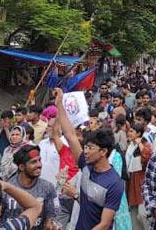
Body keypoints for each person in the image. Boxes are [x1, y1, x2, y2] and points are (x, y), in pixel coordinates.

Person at [54, 89, 125, 230]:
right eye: (85, 147)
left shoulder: (114, 184)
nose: (85, 151)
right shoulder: (85, 165)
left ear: (103, 151)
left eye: (90, 148)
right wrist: (60, 104)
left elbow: (104, 224)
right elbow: (70, 135)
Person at [3, 145, 58, 230]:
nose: (39, 165)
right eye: (33, 162)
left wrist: (52, 226)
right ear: (21, 167)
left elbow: (50, 218)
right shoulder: (7, 189)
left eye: (39, 160)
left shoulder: (48, 187)